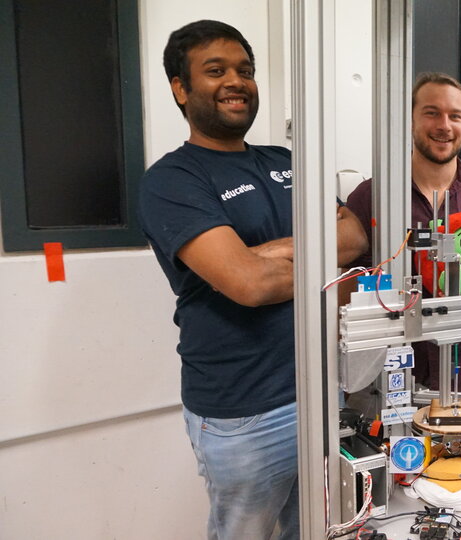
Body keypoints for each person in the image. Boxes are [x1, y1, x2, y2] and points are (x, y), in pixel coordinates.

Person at [139, 20, 366, 539]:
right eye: (215, 70)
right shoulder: (172, 180)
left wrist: (263, 254)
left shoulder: (286, 161)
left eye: (245, 70)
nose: (235, 81)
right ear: (181, 88)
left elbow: (354, 237)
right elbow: (249, 284)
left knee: (320, 529)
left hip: (322, 391)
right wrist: (265, 263)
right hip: (245, 413)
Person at [345, 72, 461, 401]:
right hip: (380, 381)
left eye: (455, 116)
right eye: (432, 113)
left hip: (459, 379)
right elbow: (346, 288)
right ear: (410, 119)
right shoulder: (372, 196)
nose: (444, 126)